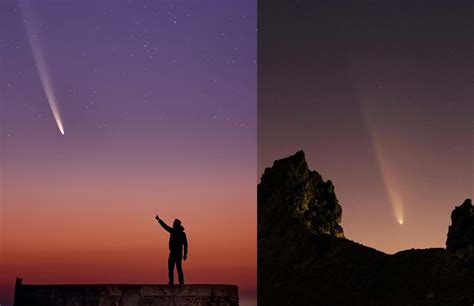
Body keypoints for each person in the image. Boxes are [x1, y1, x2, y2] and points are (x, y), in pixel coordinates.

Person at [155, 214, 188, 285]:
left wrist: (185, 254)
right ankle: (174, 283)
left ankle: (178, 283)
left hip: (176, 253)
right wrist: (159, 220)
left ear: (176, 224)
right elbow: (186, 244)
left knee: (176, 269)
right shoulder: (177, 232)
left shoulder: (178, 233)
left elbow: (185, 244)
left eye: (174, 223)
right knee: (173, 269)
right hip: (174, 253)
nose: (172, 223)